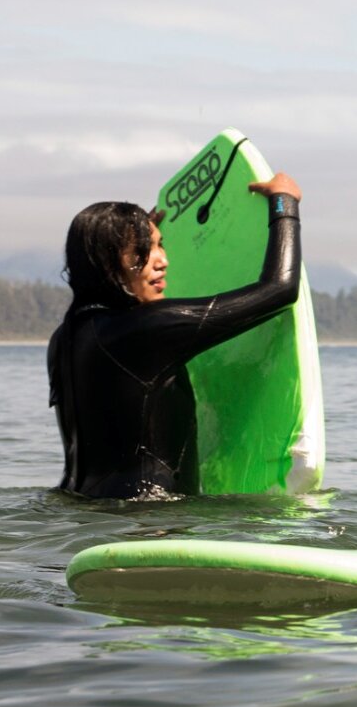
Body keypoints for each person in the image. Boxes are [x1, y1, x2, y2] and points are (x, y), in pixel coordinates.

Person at [46, 172, 303, 498]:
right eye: (144, 250)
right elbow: (280, 289)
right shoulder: (148, 329)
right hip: (151, 522)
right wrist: (285, 203)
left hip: (80, 513)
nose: (162, 261)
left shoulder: (64, 339)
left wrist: (140, 232)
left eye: (160, 245)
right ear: (107, 261)